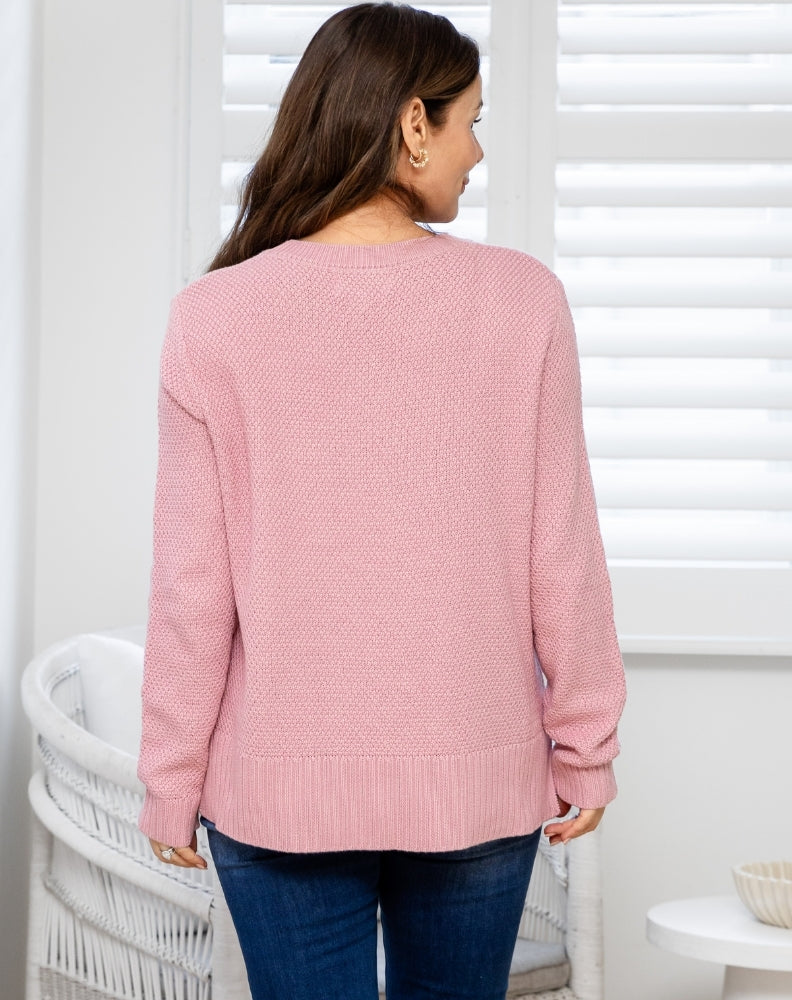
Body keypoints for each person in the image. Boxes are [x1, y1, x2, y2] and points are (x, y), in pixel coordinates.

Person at [137, 4, 627, 999]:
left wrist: (171, 776)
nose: (477, 152)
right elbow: (563, 555)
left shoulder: (211, 316)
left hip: (278, 788)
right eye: (470, 121)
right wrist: (586, 747)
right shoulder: (523, 300)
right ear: (413, 124)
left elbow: (193, 588)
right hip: (473, 779)